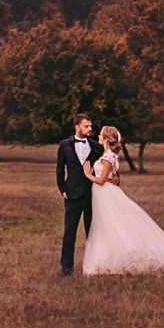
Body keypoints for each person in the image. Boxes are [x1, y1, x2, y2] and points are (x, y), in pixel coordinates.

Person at [81, 124, 164, 275]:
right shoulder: (110, 156)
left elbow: (102, 180)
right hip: (103, 194)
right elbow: (112, 177)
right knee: (107, 226)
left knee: (112, 225)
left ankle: (123, 256)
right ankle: (107, 260)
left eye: (100, 135)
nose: (98, 136)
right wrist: (113, 178)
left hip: (105, 194)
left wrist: (88, 175)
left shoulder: (107, 157)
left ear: (105, 138)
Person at [56, 113, 98, 274]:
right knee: (69, 232)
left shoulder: (96, 146)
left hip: (91, 196)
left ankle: (94, 265)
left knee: (92, 232)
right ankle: (66, 268)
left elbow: (106, 166)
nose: (90, 128)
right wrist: (63, 190)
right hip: (72, 196)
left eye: (90, 126)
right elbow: (59, 170)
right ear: (77, 126)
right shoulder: (65, 145)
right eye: (86, 126)